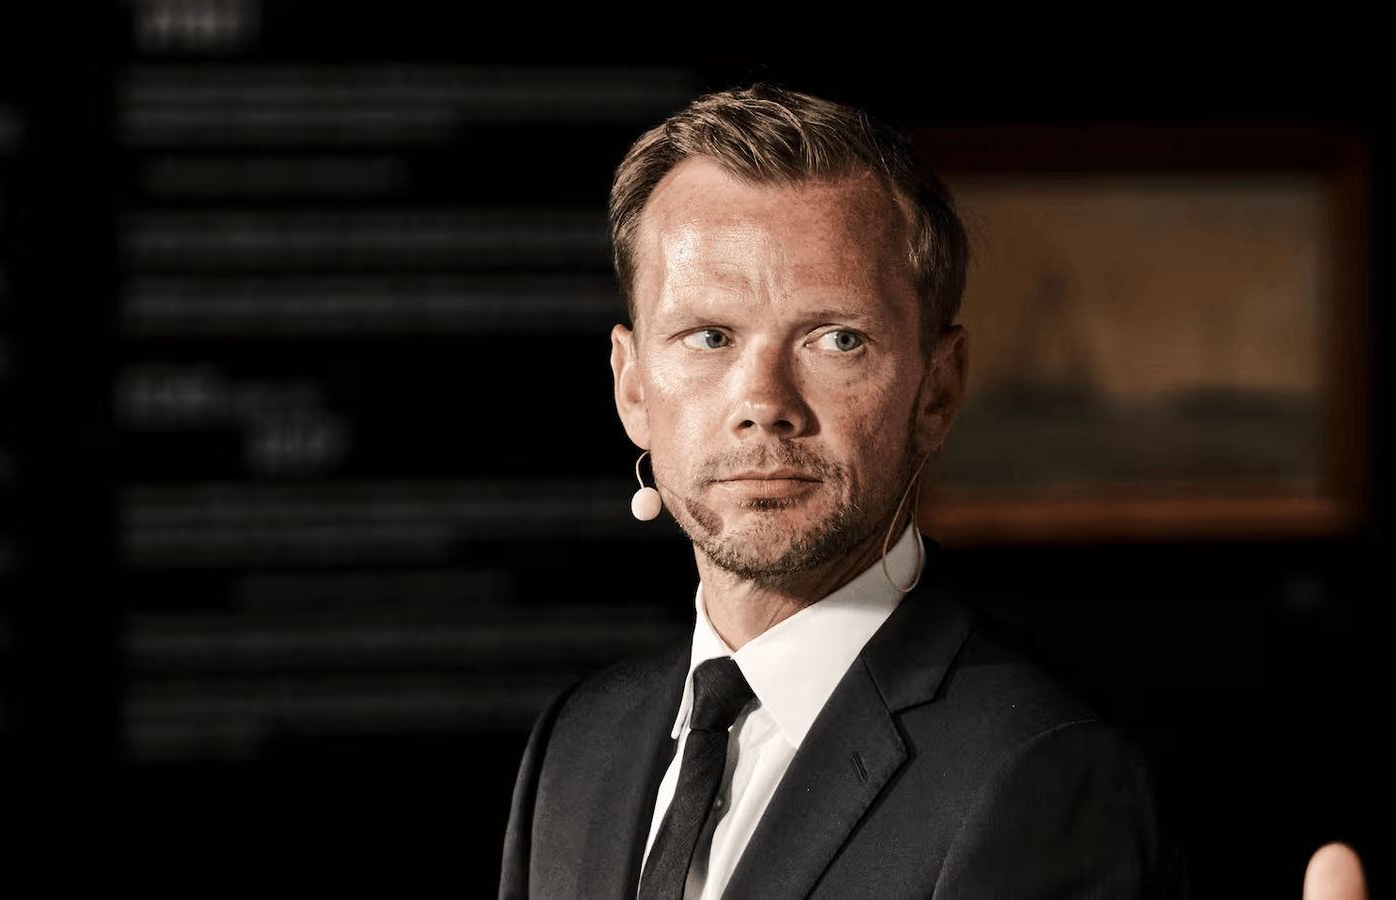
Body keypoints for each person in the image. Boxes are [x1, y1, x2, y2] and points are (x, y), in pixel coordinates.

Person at [498, 84, 1185, 900]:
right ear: (633, 387)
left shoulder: (1042, 771)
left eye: (837, 339)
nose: (764, 403)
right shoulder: (578, 742)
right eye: (709, 336)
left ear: (937, 390)